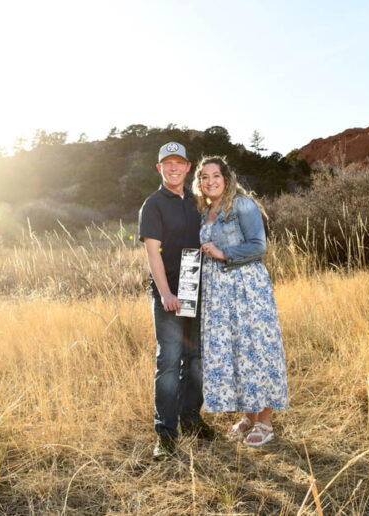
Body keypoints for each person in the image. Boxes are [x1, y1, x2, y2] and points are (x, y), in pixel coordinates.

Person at [192, 156, 288, 447]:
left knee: (255, 348)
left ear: (226, 178)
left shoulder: (242, 204)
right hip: (219, 296)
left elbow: (259, 246)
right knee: (236, 352)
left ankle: (265, 421)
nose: (210, 181)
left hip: (246, 288)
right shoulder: (206, 211)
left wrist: (223, 253)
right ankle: (249, 415)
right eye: (204, 177)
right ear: (199, 183)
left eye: (215, 176)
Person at [138, 142, 217, 461]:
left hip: (197, 290)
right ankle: (166, 434)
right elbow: (151, 252)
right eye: (166, 163)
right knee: (169, 363)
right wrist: (166, 292)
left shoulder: (198, 202)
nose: (173, 168)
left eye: (179, 163)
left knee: (196, 360)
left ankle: (191, 419)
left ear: (188, 167)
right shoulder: (153, 204)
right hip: (169, 293)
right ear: (159, 168)